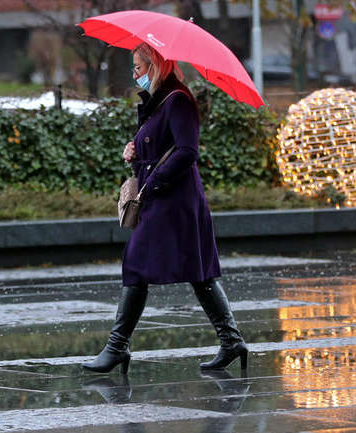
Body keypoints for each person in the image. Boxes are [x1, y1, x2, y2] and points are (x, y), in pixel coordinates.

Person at [82, 42, 248, 374]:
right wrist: (134, 150)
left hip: (174, 200)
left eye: (138, 68)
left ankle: (117, 347)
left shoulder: (178, 100)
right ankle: (231, 341)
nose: (135, 75)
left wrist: (154, 180)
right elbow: (157, 146)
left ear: (155, 66)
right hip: (162, 198)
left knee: (140, 265)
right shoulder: (159, 102)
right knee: (196, 272)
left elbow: (187, 151)